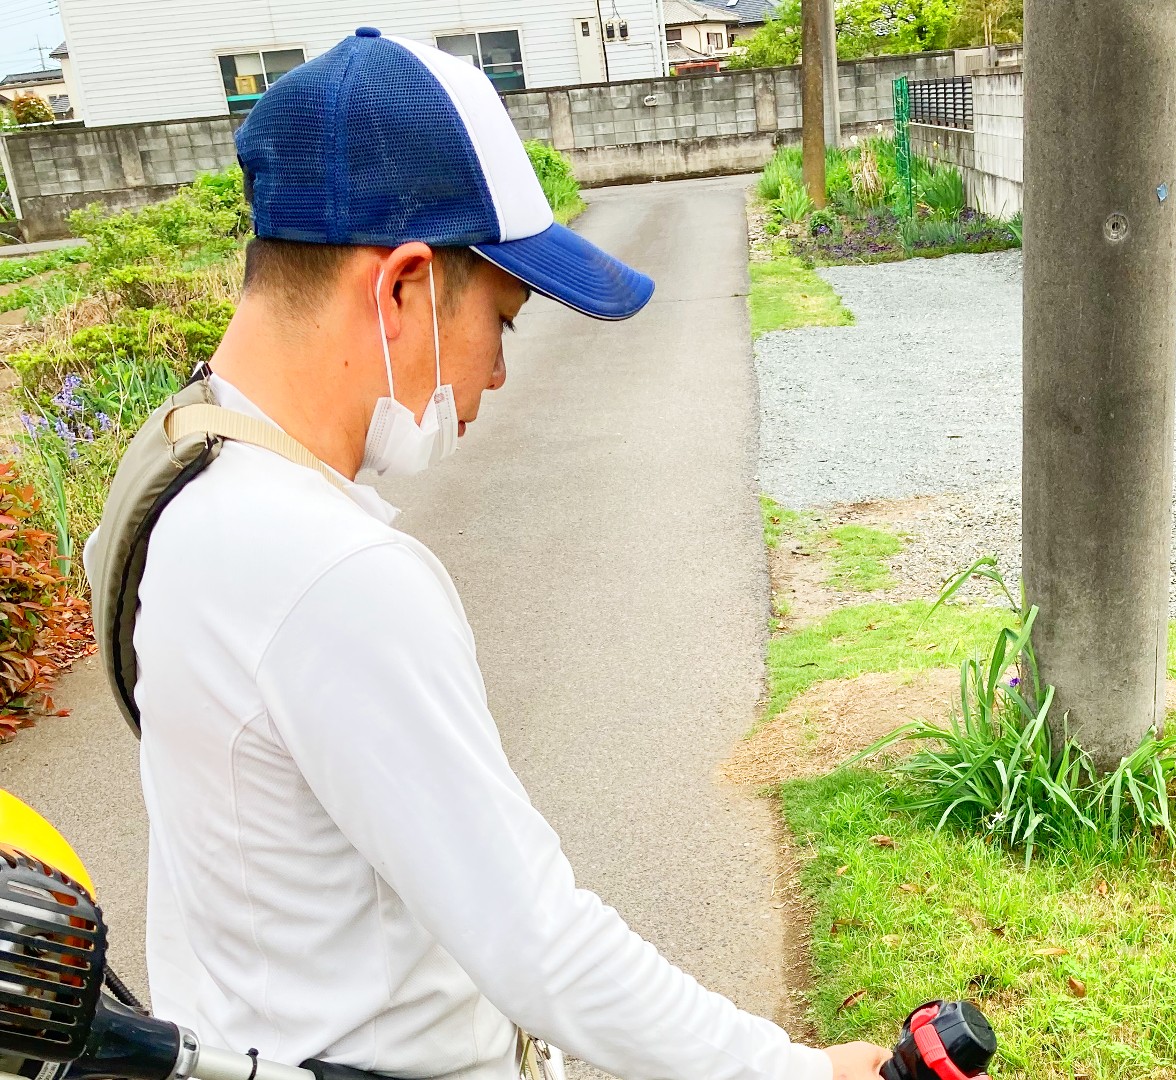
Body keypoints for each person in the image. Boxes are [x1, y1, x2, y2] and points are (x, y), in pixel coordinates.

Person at [91, 27, 887, 1080]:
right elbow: (542, 946)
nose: (499, 376)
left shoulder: (170, 470)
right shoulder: (333, 575)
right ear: (403, 287)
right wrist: (803, 1071)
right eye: (503, 322)